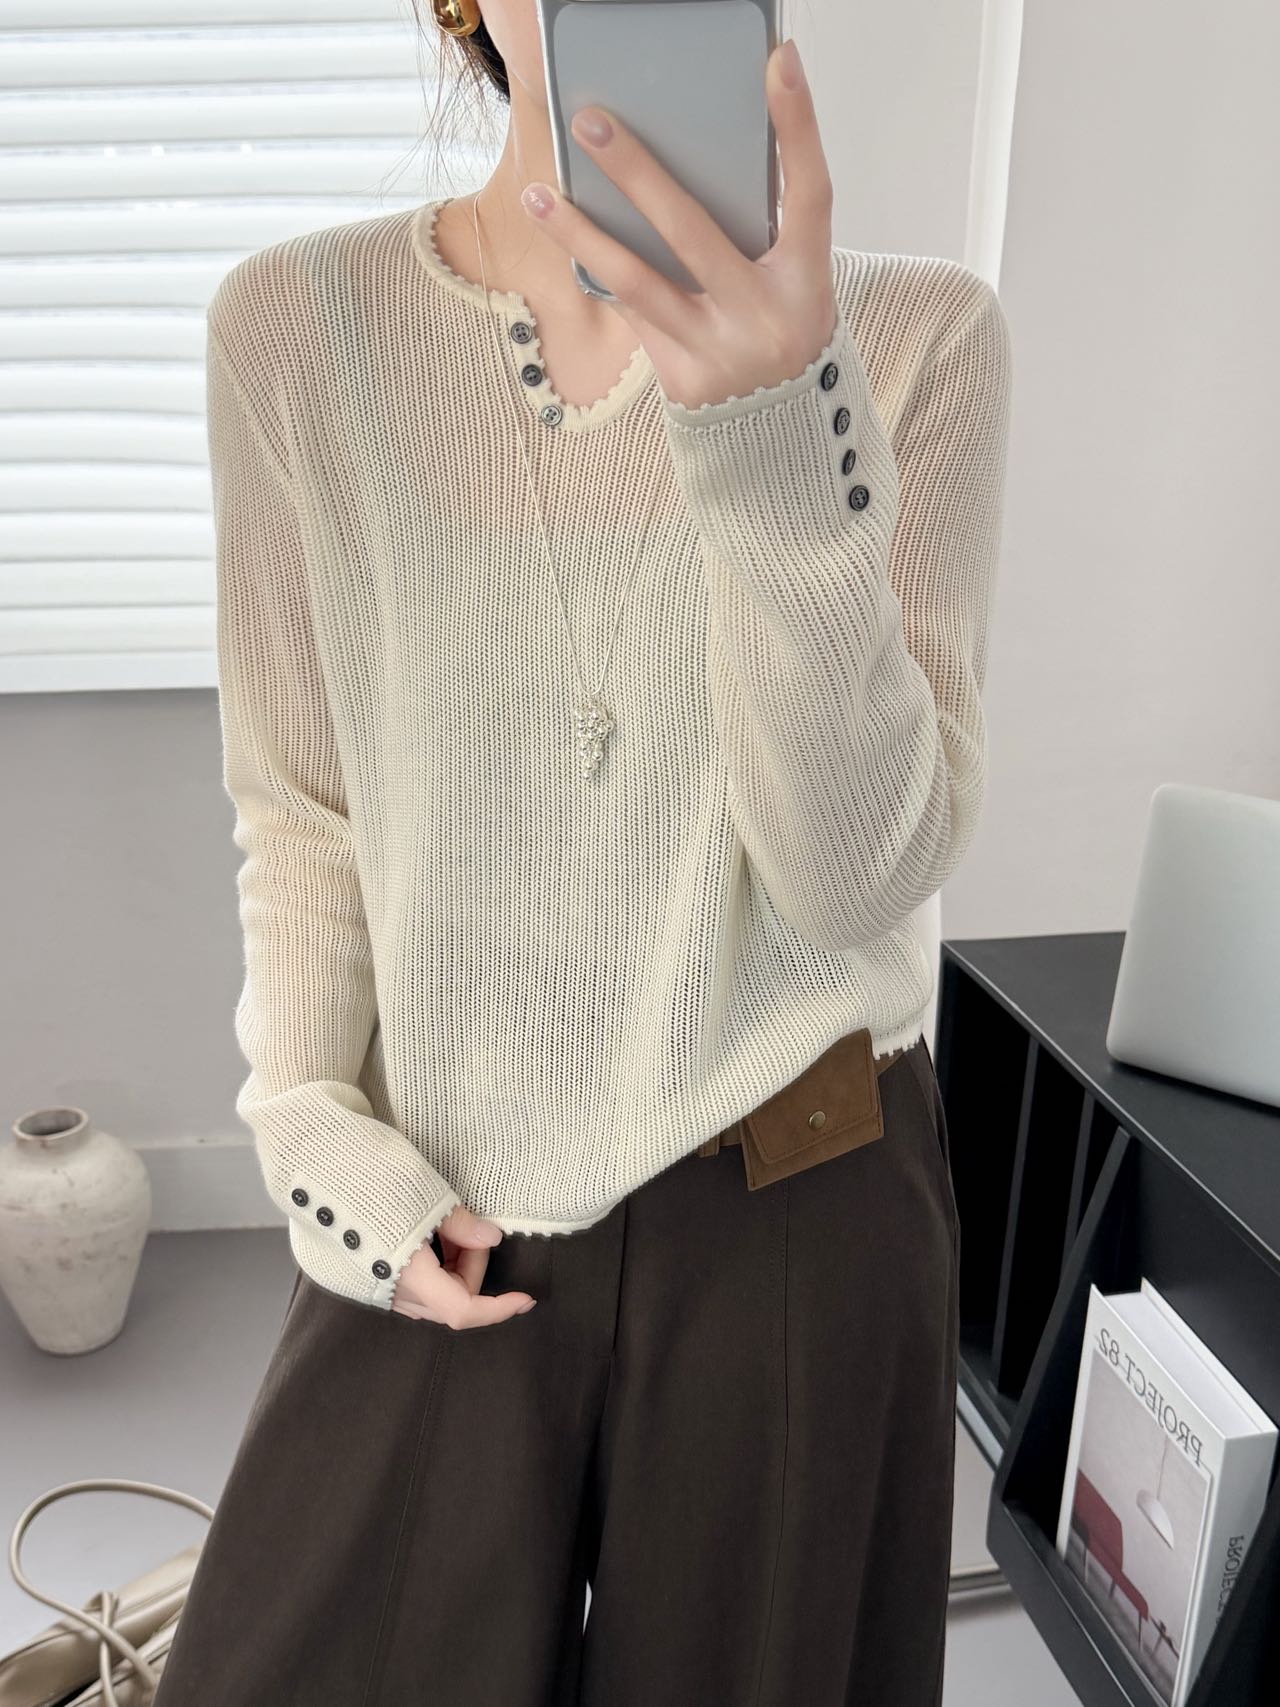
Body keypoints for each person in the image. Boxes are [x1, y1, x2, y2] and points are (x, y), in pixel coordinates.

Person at [154, 3, 1011, 1703]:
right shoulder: (297, 330)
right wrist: (310, 1123)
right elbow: (304, 809)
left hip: (798, 1194)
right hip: (452, 1183)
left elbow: (858, 876)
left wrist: (775, 435)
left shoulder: (921, 343)